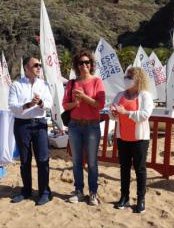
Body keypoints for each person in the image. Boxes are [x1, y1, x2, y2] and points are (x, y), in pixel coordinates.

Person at [8, 56, 53, 206]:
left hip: (39, 124)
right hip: (22, 125)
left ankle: (44, 193)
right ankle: (26, 191)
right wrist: (28, 105)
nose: (38, 67)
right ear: (26, 68)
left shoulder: (44, 84)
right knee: (25, 161)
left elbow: (49, 103)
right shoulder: (16, 85)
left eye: (39, 65)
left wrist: (40, 103)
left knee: (42, 160)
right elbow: (13, 106)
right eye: (35, 65)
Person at [62, 51, 105, 206]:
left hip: (92, 126)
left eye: (87, 62)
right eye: (81, 63)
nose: (84, 65)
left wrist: (84, 97)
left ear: (91, 65)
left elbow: (100, 105)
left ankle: (93, 192)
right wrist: (75, 103)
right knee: (77, 161)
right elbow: (65, 104)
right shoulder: (71, 83)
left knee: (92, 162)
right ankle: (79, 191)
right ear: (77, 65)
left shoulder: (97, 81)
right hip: (74, 126)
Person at [109, 66, 154, 213]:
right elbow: (112, 116)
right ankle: (124, 197)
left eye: (129, 77)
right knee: (124, 168)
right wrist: (114, 113)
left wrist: (125, 112)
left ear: (137, 79)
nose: (126, 80)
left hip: (140, 139)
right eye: (126, 77)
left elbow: (145, 115)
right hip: (123, 137)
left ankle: (141, 200)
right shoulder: (119, 95)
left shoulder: (145, 95)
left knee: (140, 170)